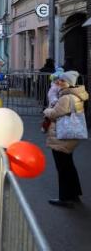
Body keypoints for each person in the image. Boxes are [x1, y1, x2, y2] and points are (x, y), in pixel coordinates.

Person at [42, 71, 89, 208]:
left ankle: (65, 198)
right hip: (69, 136)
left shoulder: (66, 97)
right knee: (68, 165)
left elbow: (55, 113)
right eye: (59, 80)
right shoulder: (75, 95)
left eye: (62, 81)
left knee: (62, 167)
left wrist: (47, 110)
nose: (58, 82)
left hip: (62, 136)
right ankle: (74, 194)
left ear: (69, 83)